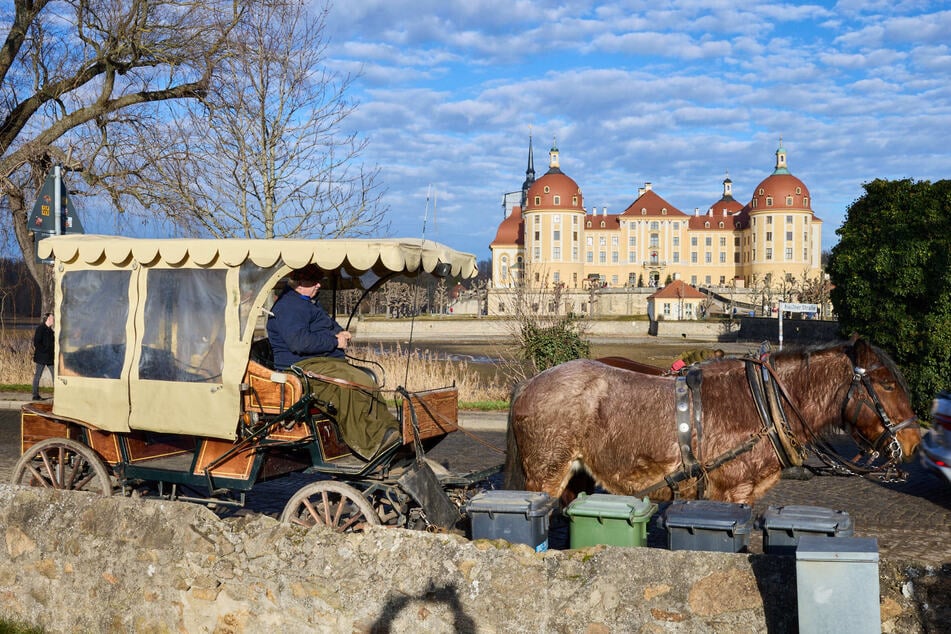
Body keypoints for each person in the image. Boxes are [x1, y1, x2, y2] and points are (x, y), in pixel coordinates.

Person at [266, 265, 400, 461]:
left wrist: (340, 332)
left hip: (322, 361)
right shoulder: (288, 306)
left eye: (319, 279)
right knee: (350, 385)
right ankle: (369, 444)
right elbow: (299, 342)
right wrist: (334, 341)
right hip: (300, 368)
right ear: (298, 282)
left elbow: (328, 325)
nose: (319, 284)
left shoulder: (308, 302)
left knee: (367, 379)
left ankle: (389, 431)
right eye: (314, 281)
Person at [32, 312, 55, 400]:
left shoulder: (50, 330)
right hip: (41, 357)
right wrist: (45, 350)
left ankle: (58, 394)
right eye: (52, 318)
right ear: (48, 319)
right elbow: (36, 343)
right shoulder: (40, 329)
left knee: (54, 376)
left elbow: (52, 343)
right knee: (38, 376)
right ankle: (35, 395)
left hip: (49, 357)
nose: (53, 320)